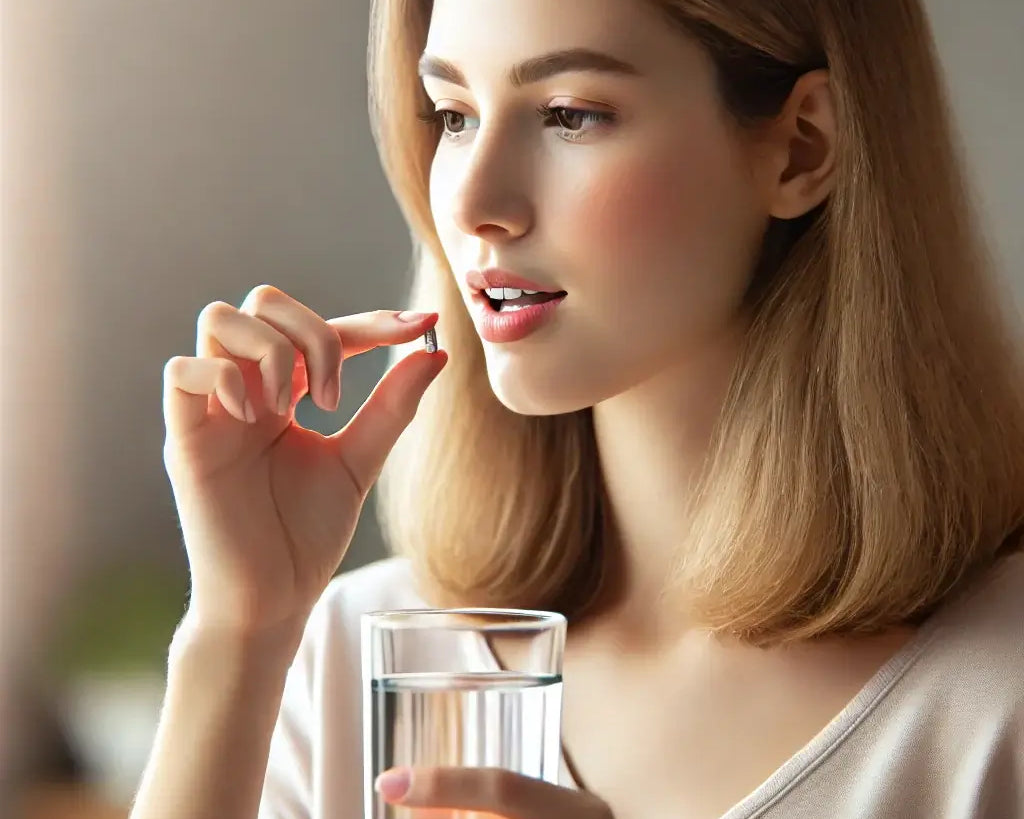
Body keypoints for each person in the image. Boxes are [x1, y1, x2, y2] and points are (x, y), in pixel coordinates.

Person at [130, 0, 1024, 817]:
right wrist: (239, 629)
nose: (474, 205)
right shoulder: (350, 655)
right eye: (454, 115)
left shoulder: (995, 704)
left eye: (570, 113)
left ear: (803, 149)